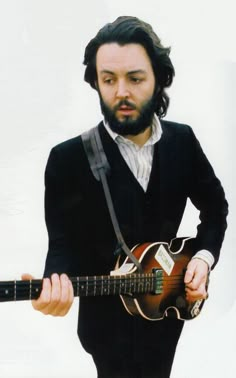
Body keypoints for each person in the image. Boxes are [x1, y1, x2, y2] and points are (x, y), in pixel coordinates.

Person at [22, 16, 228, 378]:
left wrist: (203, 259)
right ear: (96, 83)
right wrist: (54, 283)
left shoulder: (183, 142)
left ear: (159, 78)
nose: (121, 92)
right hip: (106, 329)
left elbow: (215, 207)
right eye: (108, 80)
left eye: (134, 78)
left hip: (167, 309)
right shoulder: (67, 159)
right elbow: (62, 243)